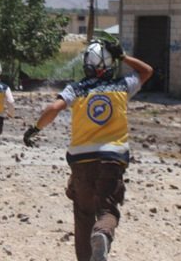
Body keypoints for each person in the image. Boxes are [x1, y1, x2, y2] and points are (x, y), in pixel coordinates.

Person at [23, 40, 152, 261]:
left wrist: (35, 128)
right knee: (107, 210)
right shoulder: (122, 86)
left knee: (83, 216)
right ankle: (102, 234)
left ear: (86, 65)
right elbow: (147, 71)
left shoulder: (76, 89)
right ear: (111, 65)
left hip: (81, 162)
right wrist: (122, 56)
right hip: (112, 159)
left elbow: (54, 108)